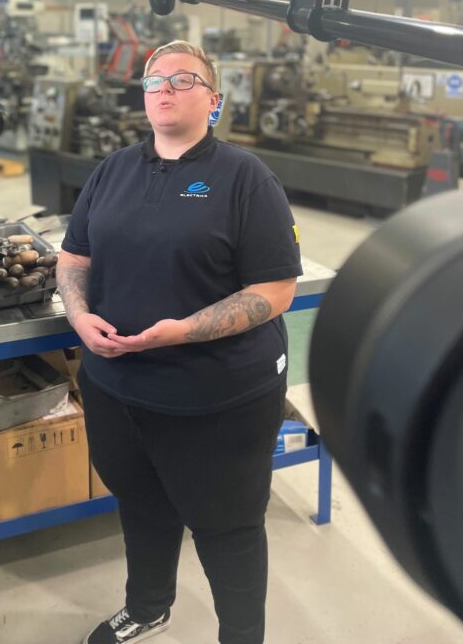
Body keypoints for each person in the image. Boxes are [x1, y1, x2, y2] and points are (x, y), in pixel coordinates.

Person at [57, 41, 302, 644]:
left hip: (214, 397)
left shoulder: (246, 178)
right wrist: (79, 314)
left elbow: (274, 290)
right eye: (152, 80)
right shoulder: (112, 169)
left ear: (213, 102)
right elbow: (73, 257)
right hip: (117, 389)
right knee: (140, 503)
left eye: (183, 79)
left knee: (229, 529)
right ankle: (147, 607)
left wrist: (184, 331)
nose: (163, 87)